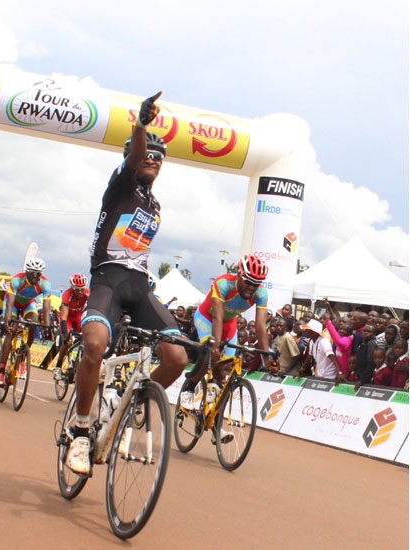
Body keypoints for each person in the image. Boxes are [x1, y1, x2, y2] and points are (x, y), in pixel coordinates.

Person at [64, 92, 192, 475]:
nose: (152, 160)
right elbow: (135, 157)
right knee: (94, 346)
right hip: (108, 279)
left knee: (177, 358)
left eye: (159, 157)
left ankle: (126, 402)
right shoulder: (121, 185)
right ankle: (81, 431)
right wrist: (141, 125)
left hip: (140, 287)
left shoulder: (154, 205)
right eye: (146, 155)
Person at [186, 254, 276, 399]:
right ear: (239, 275)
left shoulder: (261, 294)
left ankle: (214, 395)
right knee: (211, 354)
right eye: (248, 282)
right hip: (207, 318)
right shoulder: (223, 283)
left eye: (256, 283)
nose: (251, 287)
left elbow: (260, 326)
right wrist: (215, 347)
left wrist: (266, 358)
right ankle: (190, 387)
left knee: (225, 366)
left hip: (229, 323)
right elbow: (217, 317)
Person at [0, 257, 52, 387]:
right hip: (13, 304)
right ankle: (1, 371)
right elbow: (9, 304)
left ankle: (22, 358)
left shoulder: (45, 284)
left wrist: (47, 325)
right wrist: (7, 321)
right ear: (27, 272)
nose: (35, 276)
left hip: (28, 304)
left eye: (38, 273)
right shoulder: (17, 280)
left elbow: (46, 307)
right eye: (33, 273)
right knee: (11, 330)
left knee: (34, 323)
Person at [52, 273, 90, 378]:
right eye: (77, 289)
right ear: (72, 287)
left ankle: (80, 361)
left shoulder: (88, 294)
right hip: (68, 317)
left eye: (82, 289)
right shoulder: (67, 294)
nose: (80, 292)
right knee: (67, 342)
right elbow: (64, 317)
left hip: (79, 317)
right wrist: (65, 334)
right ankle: (58, 367)